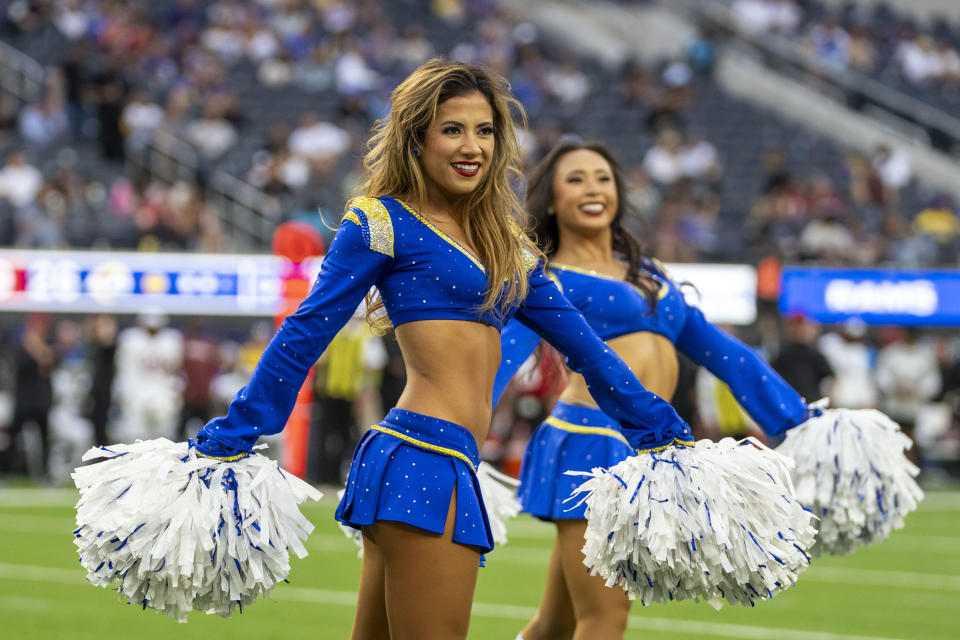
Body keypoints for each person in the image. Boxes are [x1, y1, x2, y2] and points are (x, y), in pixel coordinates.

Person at [191, 60, 693, 640]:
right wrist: (234, 433)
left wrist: (663, 430)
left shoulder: (507, 246)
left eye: (484, 131)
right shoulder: (382, 223)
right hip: (422, 457)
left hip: (437, 460)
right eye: (452, 129)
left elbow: (589, 351)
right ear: (416, 137)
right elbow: (306, 331)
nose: (471, 146)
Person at [492, 141, 818, 640]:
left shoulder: (652, 275)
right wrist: (453, 433)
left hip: (652, 450)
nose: (592, 188)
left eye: (602, 177)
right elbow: (497, 359)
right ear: (551, 200)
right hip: (592, 444)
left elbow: (723, 352)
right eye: (575, 179)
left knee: (554, 625)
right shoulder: (547, 278)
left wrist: (797, 419)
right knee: (605, 617)